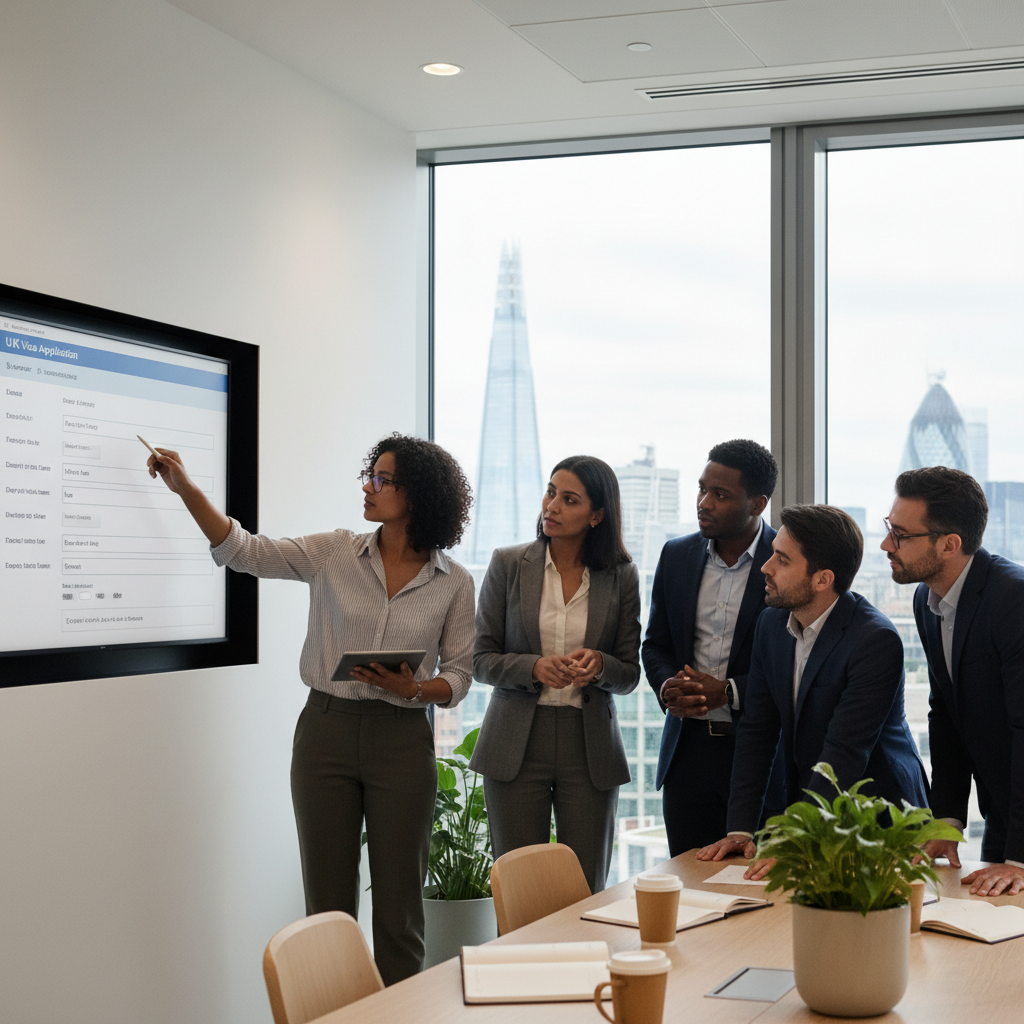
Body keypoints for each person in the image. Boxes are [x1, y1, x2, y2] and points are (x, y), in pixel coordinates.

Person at [146, 433, 474, 985]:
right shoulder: (335, 551)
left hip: (402, 740)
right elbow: (243, 551)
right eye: (369, 476)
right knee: (328, 913)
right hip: (327, 732)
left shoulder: (454, 583)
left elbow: (461, 674)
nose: (368, 488)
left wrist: (414, 690)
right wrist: (186, 490)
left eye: (382, 480)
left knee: (400, 914)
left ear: (416, 496)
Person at [698, 504, 928, 874]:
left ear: (822, 579)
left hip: (879, 819)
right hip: (815, 812)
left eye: (782, 560)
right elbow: (757, 730)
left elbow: (844, 753)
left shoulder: (874, 640)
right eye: (773, 554)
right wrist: (740, 828)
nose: (765, 567)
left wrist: (798, 837)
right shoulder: (770, 624)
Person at [469, 455, 641, 893]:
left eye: (569, 499)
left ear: (597, 515)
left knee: (585, 886)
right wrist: (535, 667)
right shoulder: (508, 564)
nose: (552, 506)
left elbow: (629, 673)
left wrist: (600, 666)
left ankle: (586, 963)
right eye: (550, 492)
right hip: (516, 743)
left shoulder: (621, 575)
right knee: (517, 885)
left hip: (590, 747)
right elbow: (480, 658)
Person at [883, 466, 1024, 897]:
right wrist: (947, 819)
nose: (887, 545)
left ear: (949, 545)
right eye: (890, 529)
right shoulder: (928, 599)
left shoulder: (1013, 600)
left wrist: (1020, 859)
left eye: (901, 535)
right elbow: (946, 713)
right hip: (1004, 810)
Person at [642, 439, 786, 857]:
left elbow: (793, 664)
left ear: (757, 503)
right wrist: (668, 685)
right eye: (702, 490)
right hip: (687, 756)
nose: (704, 503)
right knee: (688, 886)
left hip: (761, 755)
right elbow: (655, 644)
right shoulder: (676, 556)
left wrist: (728, 692)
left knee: (761, 893)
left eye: (720, 495)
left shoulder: (786, 562)